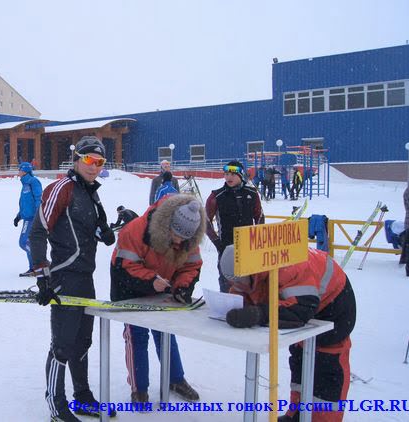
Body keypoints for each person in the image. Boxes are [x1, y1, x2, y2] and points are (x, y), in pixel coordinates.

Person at [29, 135, 116, 421]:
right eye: (89, 160)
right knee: (62, 345)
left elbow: (92, 228)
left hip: (85, 277)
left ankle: (83, 398)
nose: (94, 167)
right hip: (64, 276)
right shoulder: (62, 188)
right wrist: (42, 276)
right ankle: (57, 406)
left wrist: (106, 232)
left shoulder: (91, 193)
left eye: (99, 162)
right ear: (76, 159)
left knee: (82, 342)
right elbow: (38, 231)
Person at [220, 246, 356, 422]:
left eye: (240, 281)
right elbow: (249, 291)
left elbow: (300, 309)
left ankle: (323, 418)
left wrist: (258, 314)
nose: (237, 286)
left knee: (327, 364)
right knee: (299, 356)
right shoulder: (254, 268)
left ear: (251, 271)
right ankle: (297, 414)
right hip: (309, 303)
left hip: (334, 307)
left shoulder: (289, 267)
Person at [110, 195, 203, 404]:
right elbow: (124, 267)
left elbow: (191, 266)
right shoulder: (134, 231)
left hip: (162, 288)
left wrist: (182, 287)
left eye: (184, 238)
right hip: (129, 289)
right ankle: (139, 389)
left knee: (166, 333)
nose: (178, 241)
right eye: (175, 235)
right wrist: (150, 281)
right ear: (167, 224)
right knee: (137, 336)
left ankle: (175, 379)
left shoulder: (189, 238)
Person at [205, 160, 264, 292]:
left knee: (251, 284)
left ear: (241, 175)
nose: (228, 177)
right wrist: (218, 244)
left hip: (248, 247)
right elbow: (205, 222)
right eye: (226, 174)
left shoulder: (252, 193)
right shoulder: (216, 196)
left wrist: (258, 238)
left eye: (233, 174)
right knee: (228, 284)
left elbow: (259, 217)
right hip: (226, 247)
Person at [14, 162, 42, 277]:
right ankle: (34, 268)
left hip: (33, 218)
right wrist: (19, 216)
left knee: (24, 242)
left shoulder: (33, 182)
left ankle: (40, 264)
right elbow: (25, 204)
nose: (18, 172)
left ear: (24, 171)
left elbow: (39, 199)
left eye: (19, 170)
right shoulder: (25, 183)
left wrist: (38, 216)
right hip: (27, 218)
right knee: (27, 243)